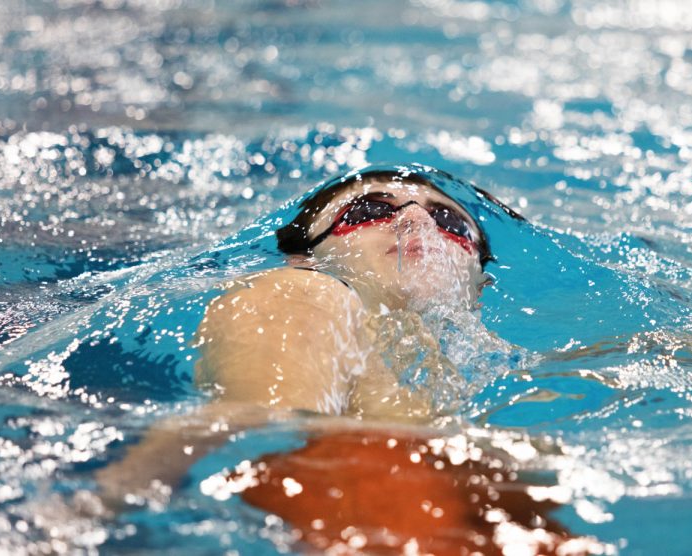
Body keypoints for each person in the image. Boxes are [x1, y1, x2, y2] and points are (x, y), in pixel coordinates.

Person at [95, 166, 582, 553]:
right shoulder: (303, 292)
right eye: (371, 210)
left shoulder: (448, 374)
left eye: (450, 222)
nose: (416, 221)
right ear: (306, 255)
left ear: (480, 287)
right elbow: (251, 427)